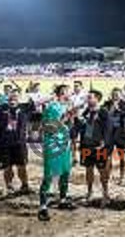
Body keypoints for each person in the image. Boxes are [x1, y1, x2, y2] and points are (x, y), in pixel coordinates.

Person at [0, 89, 31, 194]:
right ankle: (9, 186)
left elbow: (41, 102)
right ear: (7, 99)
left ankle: (25, 185)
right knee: (7, 167)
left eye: (15, 97)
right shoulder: (0, 108)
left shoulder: (25, 108)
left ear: (19, 99)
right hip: (4, 144)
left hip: (19, 144)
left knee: (21, 166)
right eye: (10, 97)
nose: (13, 99)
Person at [38, 84, 75, 222]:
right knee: (49, 175)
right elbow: (49, 128)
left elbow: (67, 126)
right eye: (68, 91)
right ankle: (42, 207)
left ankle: (63, 200)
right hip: (53, 146)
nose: (70, 93)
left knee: (65, 172)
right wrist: (65, 118)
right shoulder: (52, 107)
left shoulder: (65, 106)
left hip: (65, 144)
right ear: (62, 93)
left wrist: (71, 118)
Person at [74, 89, 112, 204]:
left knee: (102, 171)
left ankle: (105, 194)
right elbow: (80, 126)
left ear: (97, 99)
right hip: (86, 145)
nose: (88, 99)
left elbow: (108, 128)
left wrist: (104, 142)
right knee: (88, 169)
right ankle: (89, 192)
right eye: (88, 97)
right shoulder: (85, 112)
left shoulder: (103, 112)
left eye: (90, 97)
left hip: (98, 147)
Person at [103, 87, 125, 185]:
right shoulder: (107, 104)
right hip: (109, 134)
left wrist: (119, 109)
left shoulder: (124, 104)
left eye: (117, 95)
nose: (115, 96)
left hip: (121, 133)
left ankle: (122, 177)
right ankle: (108, 177)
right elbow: (103, 115)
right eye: (114, 95)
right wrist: (111, 108)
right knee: (108, 157)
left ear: (120, 95)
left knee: (122, 157)